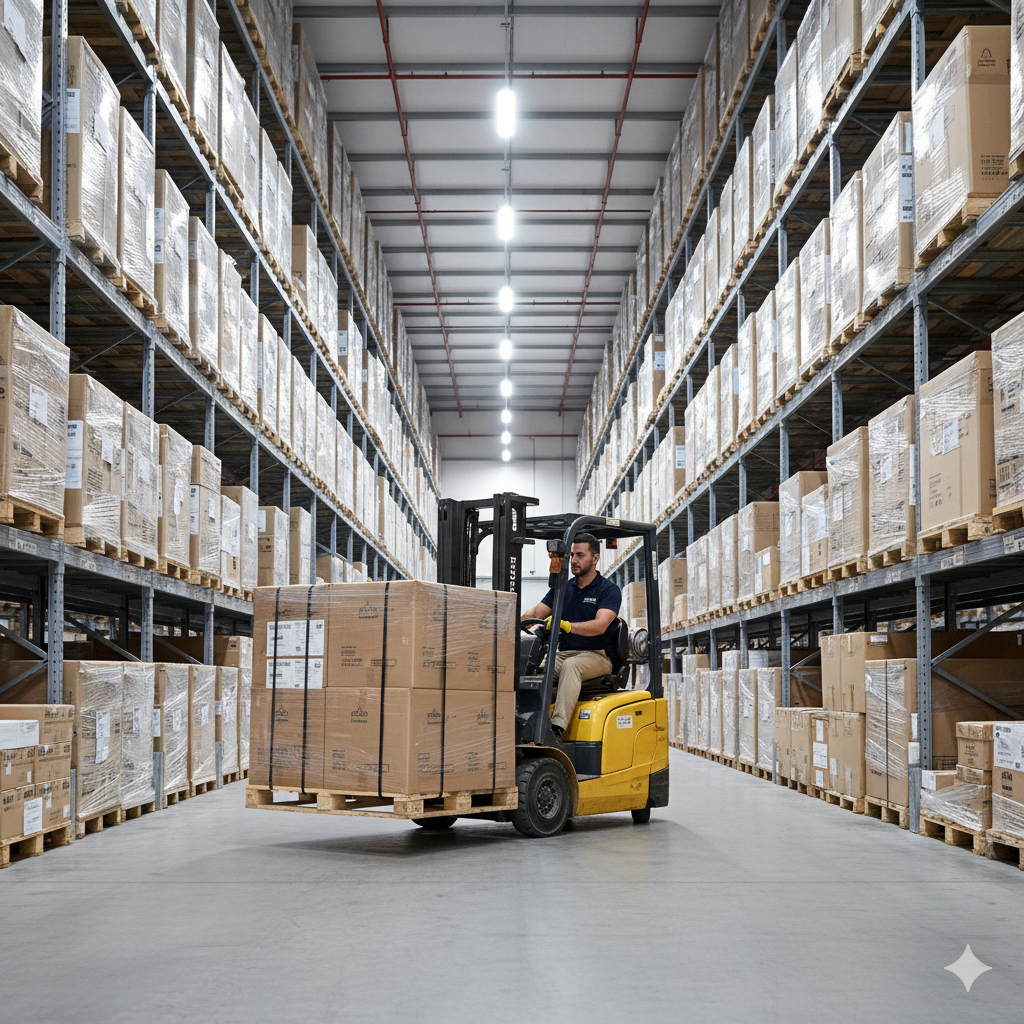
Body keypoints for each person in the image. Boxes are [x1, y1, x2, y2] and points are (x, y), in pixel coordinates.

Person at [520, 532, 622, 738]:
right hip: (565, 653)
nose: (574, 560)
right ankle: (523, 721)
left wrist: (566, 626)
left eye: (580, 555)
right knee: (532, 667)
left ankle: (556, 729)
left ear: (595, 559)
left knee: (571, 666)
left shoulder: (608, 590)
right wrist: (513, 620)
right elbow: (536, 613)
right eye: (572, 555)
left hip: (598, 656)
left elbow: (600, 626)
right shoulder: (563, 589)